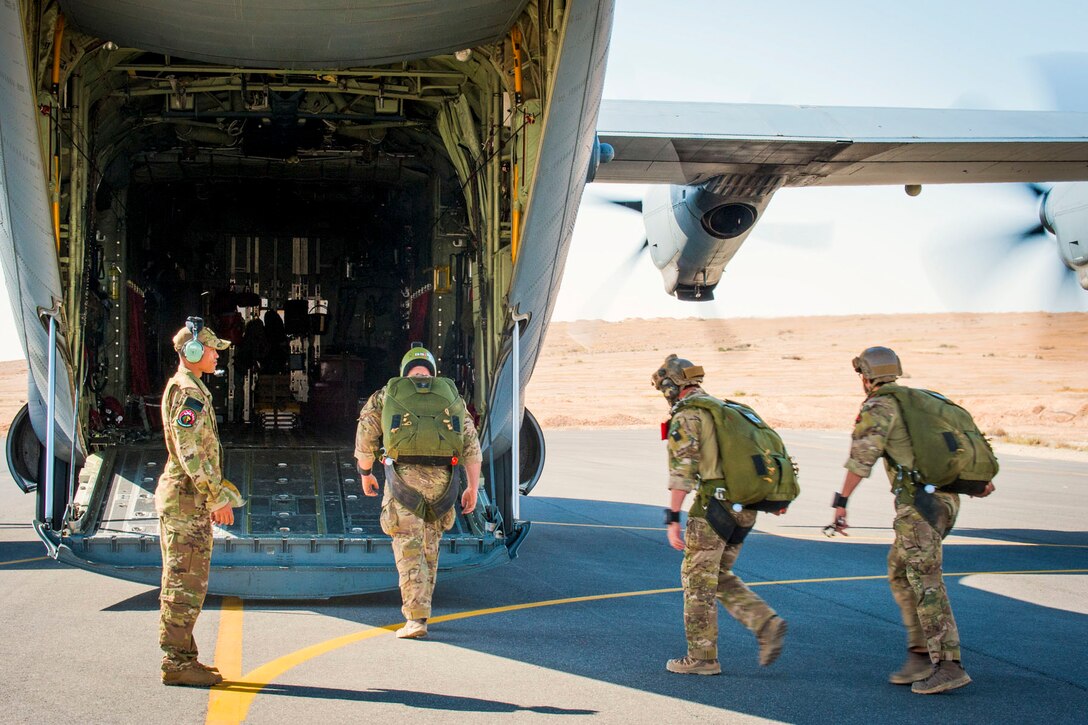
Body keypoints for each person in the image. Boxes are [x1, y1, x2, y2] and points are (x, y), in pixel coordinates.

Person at [830, 346, 993, 695]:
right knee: (900, 570)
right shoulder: (920, 401)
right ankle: (920, 654)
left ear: (865, 376)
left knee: (925, 579)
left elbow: (862, 459)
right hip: (945, 500)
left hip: (918, 506)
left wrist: (841, 502)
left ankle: (948, 665)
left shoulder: (879, 406)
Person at [654, 354, 787, 676]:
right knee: (717, 574)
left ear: (672, 387)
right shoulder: (731, 411)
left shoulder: (688, 416)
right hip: (746, 508)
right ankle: (764, 622)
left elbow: (682, 472)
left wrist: (672, 519)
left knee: (697, 581)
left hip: (714, 508)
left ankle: (702, 658)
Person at [355, 344, 482, 639]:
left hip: (404, 482)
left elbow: (365, 441)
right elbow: (471, 447)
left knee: (408, 549)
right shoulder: (451, 399)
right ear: (433, 372)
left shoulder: (386, 396)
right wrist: (473, 487)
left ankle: (415, 619)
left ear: (404, 371)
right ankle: (421, 611)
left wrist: (365, 473)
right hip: (443, 485)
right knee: (429, 549)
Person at [155, 317, 244, 687]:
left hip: (187, 501)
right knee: (183, 583)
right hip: (188, 502)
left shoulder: (191, 388)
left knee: (189, 580)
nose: (215, 355)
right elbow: (190, 451)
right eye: (210, 349)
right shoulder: (188, 393)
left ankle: (185, 658)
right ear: (192, 352)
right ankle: (175, 663)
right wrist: (215, 498)